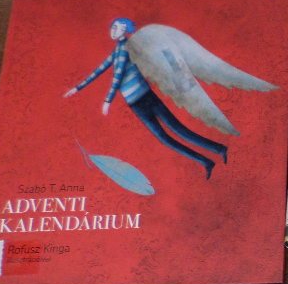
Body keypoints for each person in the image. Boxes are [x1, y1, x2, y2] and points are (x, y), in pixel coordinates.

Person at [64, 18, 227, 179]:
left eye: (117, 28)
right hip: (135, 103)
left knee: (178, 131)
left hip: (146, 98)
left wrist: (108, 100)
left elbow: (118, 76)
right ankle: (207, 161)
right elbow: (99, 70)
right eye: (112, 27)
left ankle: (219, 150)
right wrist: (77, 88)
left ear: (124, 31)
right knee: (165, 138)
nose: (113, 30)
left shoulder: (125, 48)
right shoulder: (118, 49)